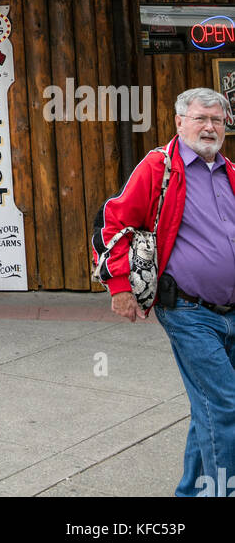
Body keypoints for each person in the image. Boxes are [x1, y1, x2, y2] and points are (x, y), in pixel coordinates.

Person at [93, 87, 235, 497]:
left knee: (208, 407)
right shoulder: (159, 167)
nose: (209, 127)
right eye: (200, 118)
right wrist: (119, 287)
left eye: (216, 119)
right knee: (226, 406)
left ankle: (191, 492)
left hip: (231, 310)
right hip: (188, 310)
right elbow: (113, 225)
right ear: (179, 122)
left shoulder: (230, 173)